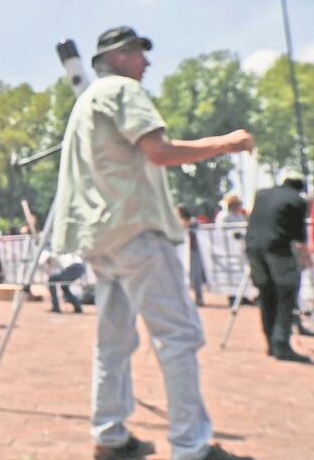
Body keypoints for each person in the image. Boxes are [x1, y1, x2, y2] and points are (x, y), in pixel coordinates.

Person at [52, 25, 255, 460]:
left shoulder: (85, 103)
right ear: (120, 56)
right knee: (177, 335)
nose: (147, 63)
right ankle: (191, 446)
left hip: (100, 237)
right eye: (140, 53)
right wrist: (228, 143)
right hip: (136, 230)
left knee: (113, 341)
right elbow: (159, 152)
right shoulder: (123, 91)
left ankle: (109, 435)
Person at [243, 174, 312, 362]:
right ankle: (281, 344)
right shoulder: (297, 200)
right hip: (278, 251)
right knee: (286, 294)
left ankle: (270, 344)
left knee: (266, 295)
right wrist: (306, 258)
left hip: (253, 249)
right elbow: (299, 237)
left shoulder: (262, 194)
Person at [177, 205, 206, 307]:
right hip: (182, 252)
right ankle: (184, 300)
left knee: (196, 276)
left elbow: (198, 231)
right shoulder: (177, 223)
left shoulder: (194, 222)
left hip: (194, 252)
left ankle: (199, 298)